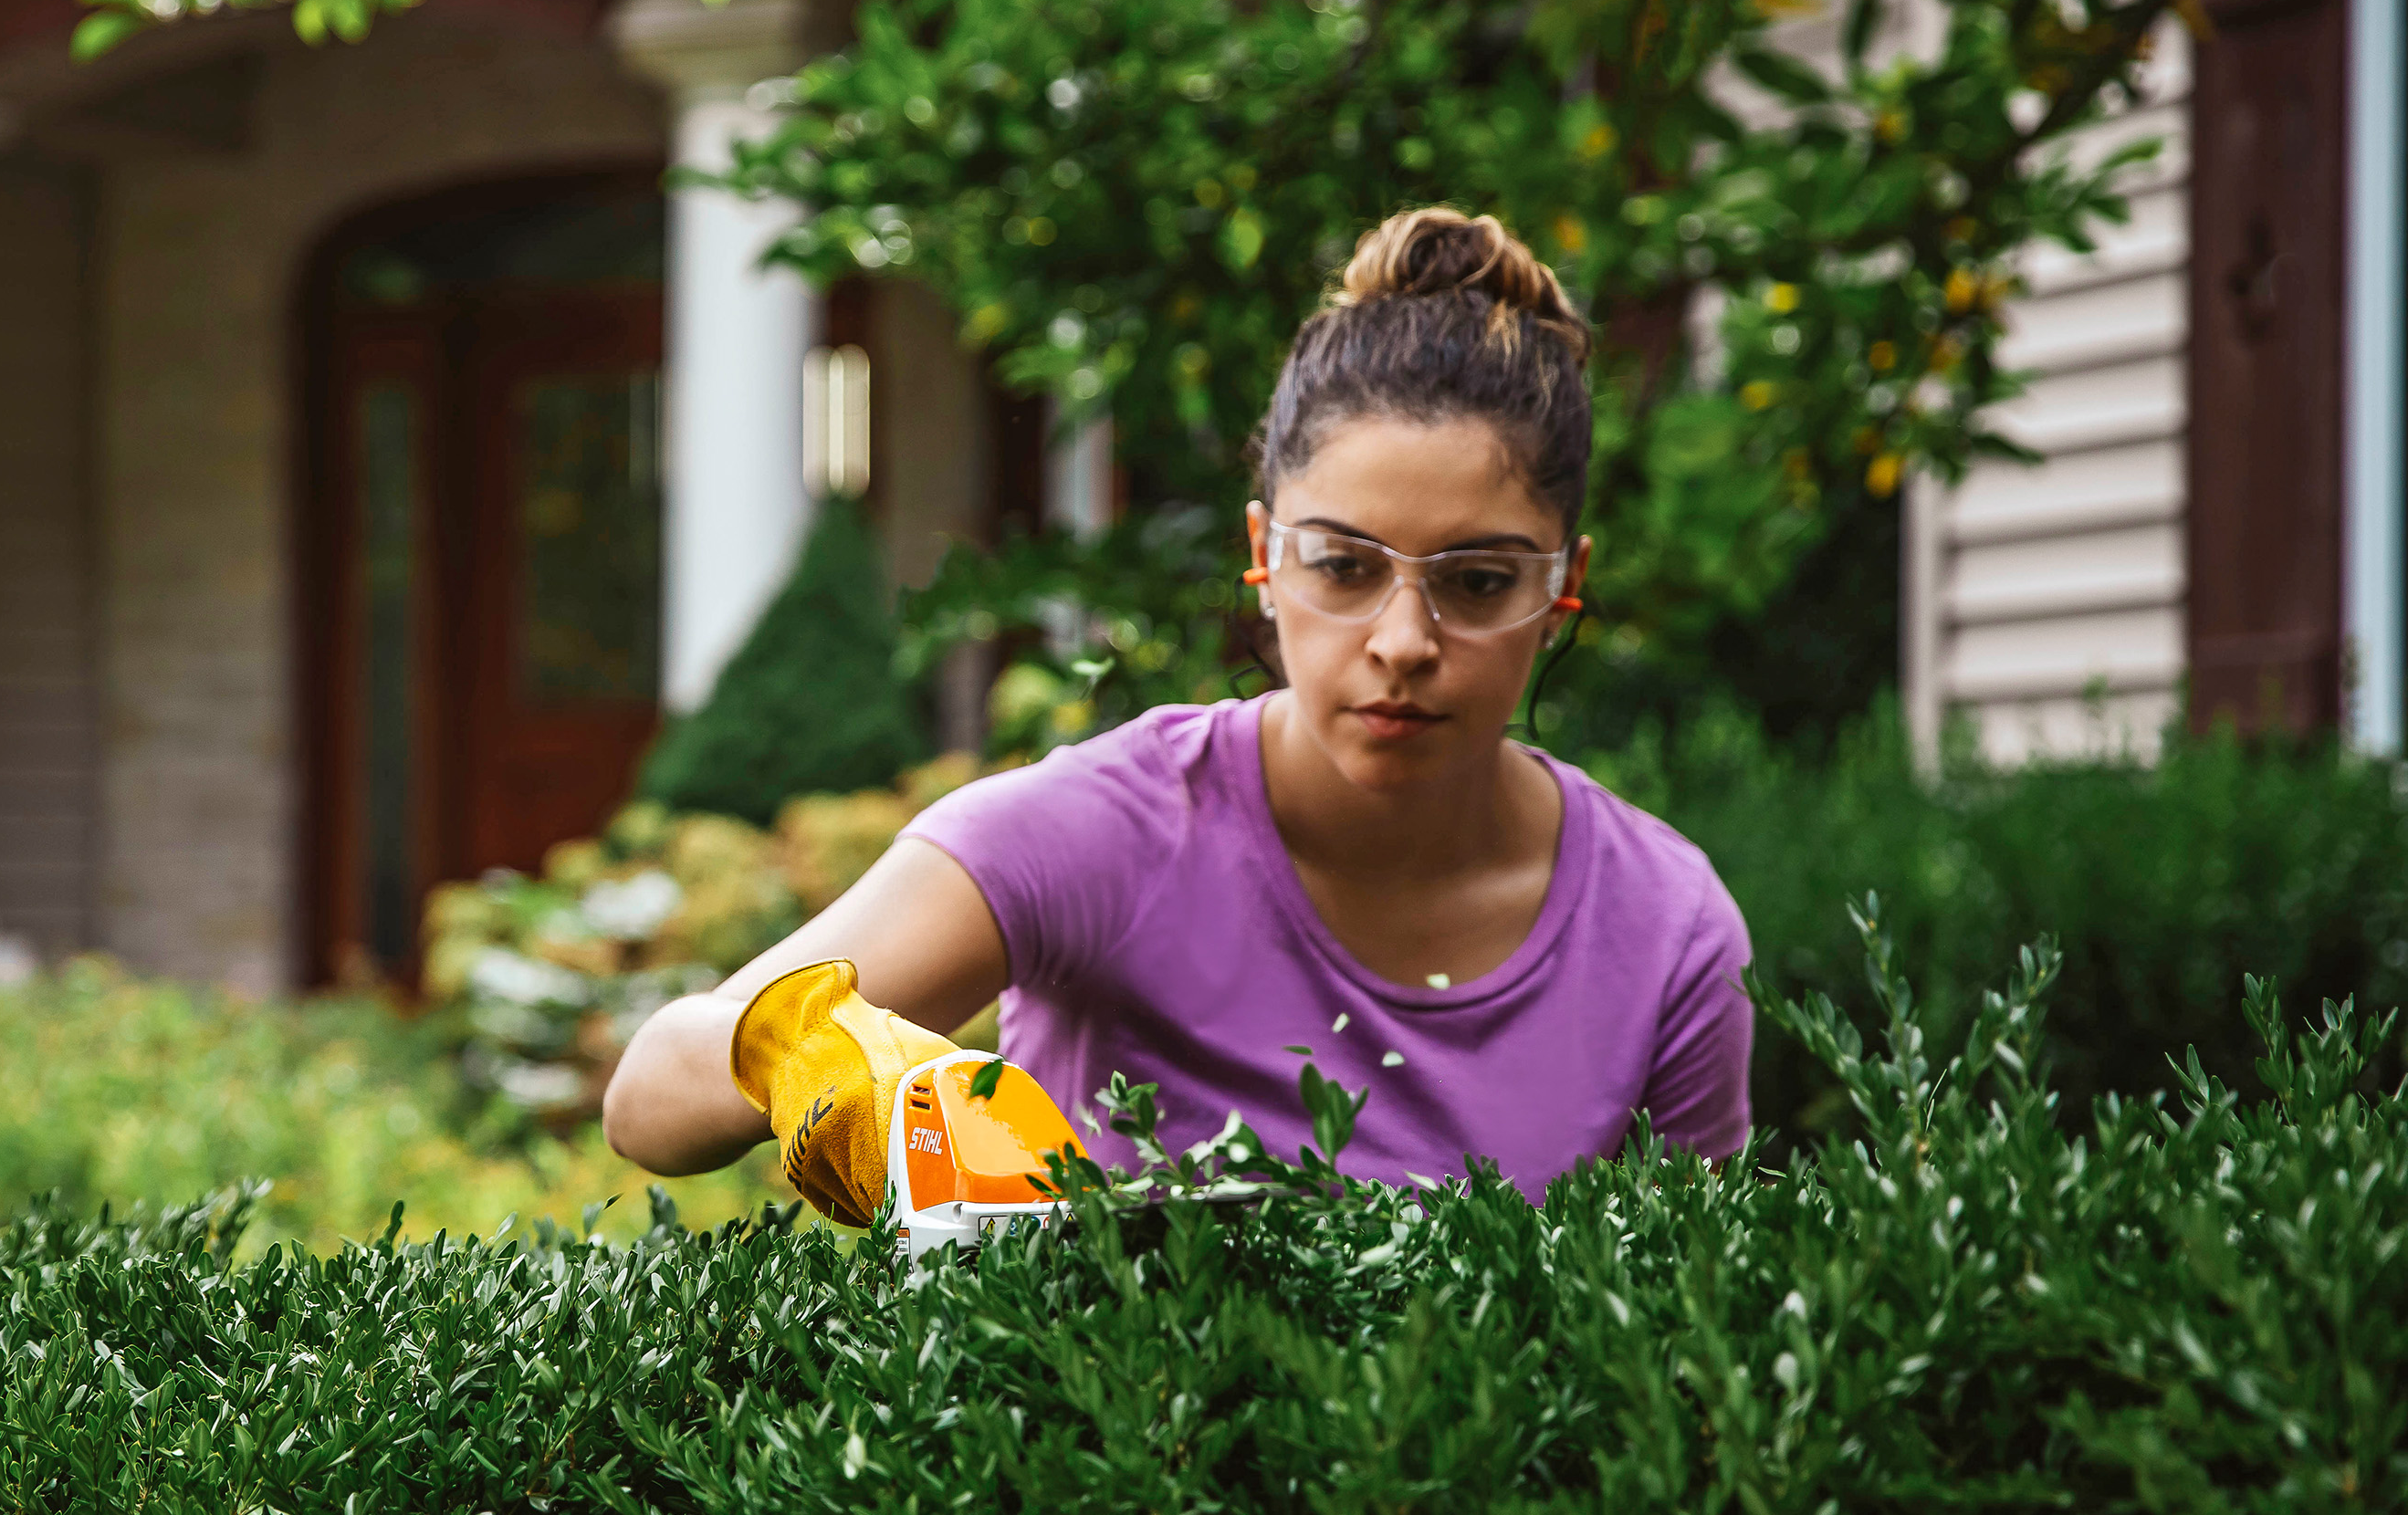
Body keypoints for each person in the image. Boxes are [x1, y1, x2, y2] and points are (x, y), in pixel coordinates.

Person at [603, 206, 1754, 1224]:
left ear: (1562, 585)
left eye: (1477, 580)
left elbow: (1684, 1358)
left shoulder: (1662, 934)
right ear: (1263, 555)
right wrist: (824, 1058)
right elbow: (652, 1094)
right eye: (1343, 567)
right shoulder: (1109, 832)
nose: (1402, 641)